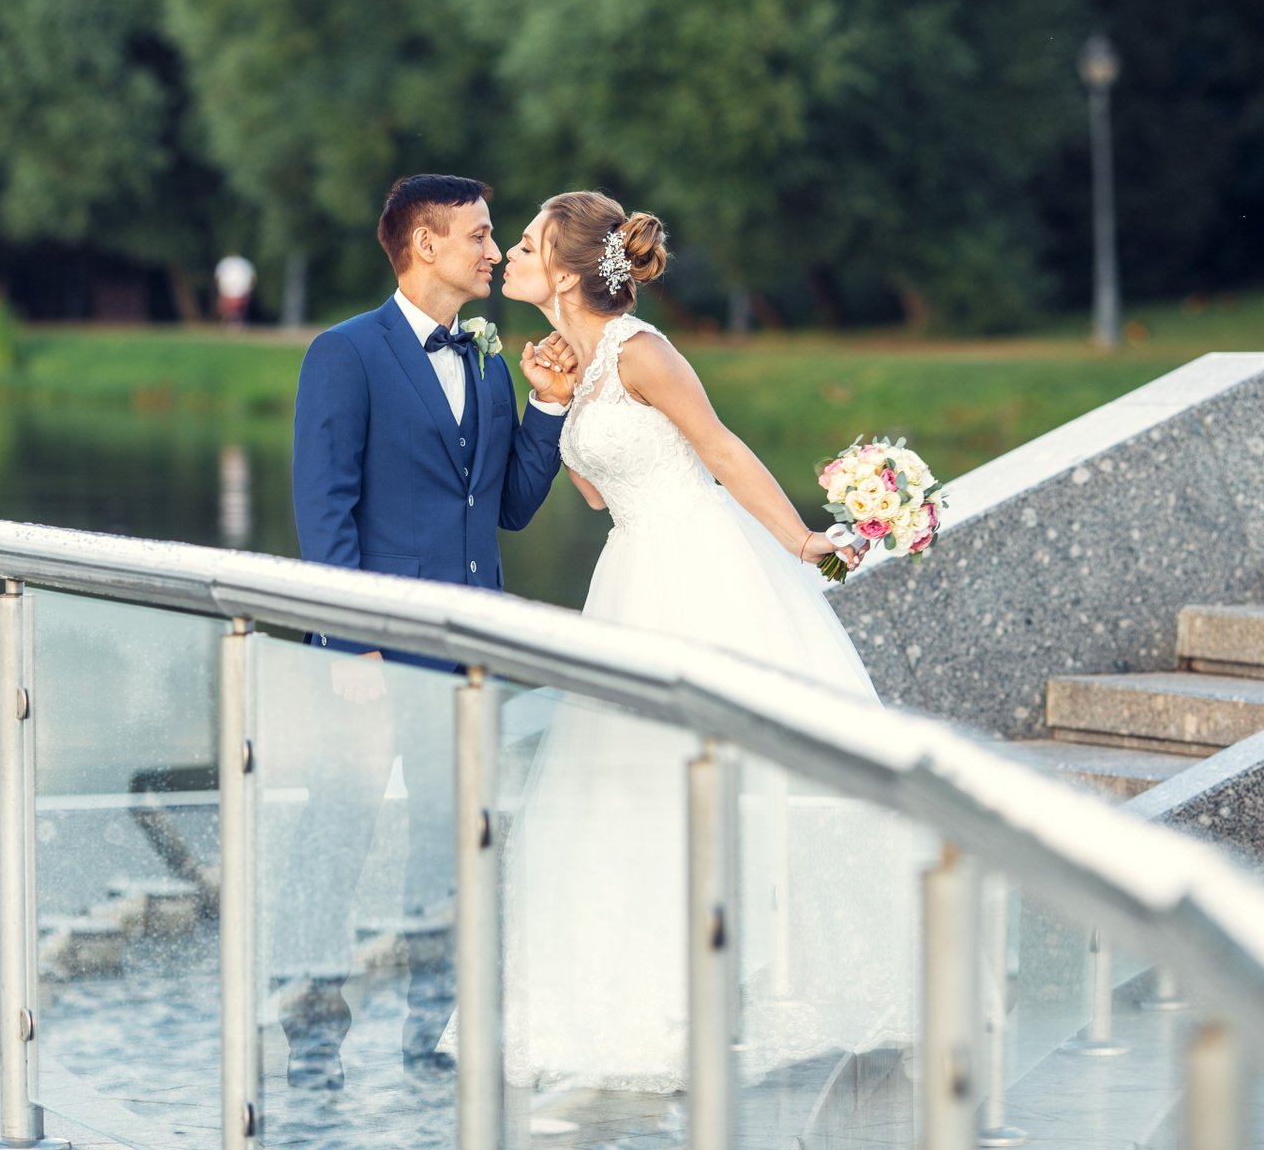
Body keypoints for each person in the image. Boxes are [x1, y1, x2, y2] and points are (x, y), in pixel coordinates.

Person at [493, 190, 910, 1092]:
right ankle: (646, 1003)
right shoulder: (582, 363)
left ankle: (753, 992)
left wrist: (801, 540)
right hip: (629, 573)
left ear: (565, 271)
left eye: (526, 243)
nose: (511, 255)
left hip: (697, 567)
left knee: (716, 777)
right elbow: (598, 494)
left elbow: (718, 448)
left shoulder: (642, 351)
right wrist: (553, 400)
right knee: (629, 784)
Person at [282, 174, 578, 1089]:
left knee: (447, 849)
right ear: (425, 244)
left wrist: (548, 408)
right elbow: (323, 508)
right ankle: (311, 1042)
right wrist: (352, 642)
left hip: (467, 656)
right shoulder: (345, 352)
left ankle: (427, 1038)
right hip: (370, 657)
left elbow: (509, 506)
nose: (495, 251)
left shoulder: (488, 357)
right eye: (481, 236)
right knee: (338, 839)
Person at [214, 254, 255, 327]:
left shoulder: (243, 264)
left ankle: (235, 321)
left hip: (238, 289)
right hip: (229, 289)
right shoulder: (225, 264)